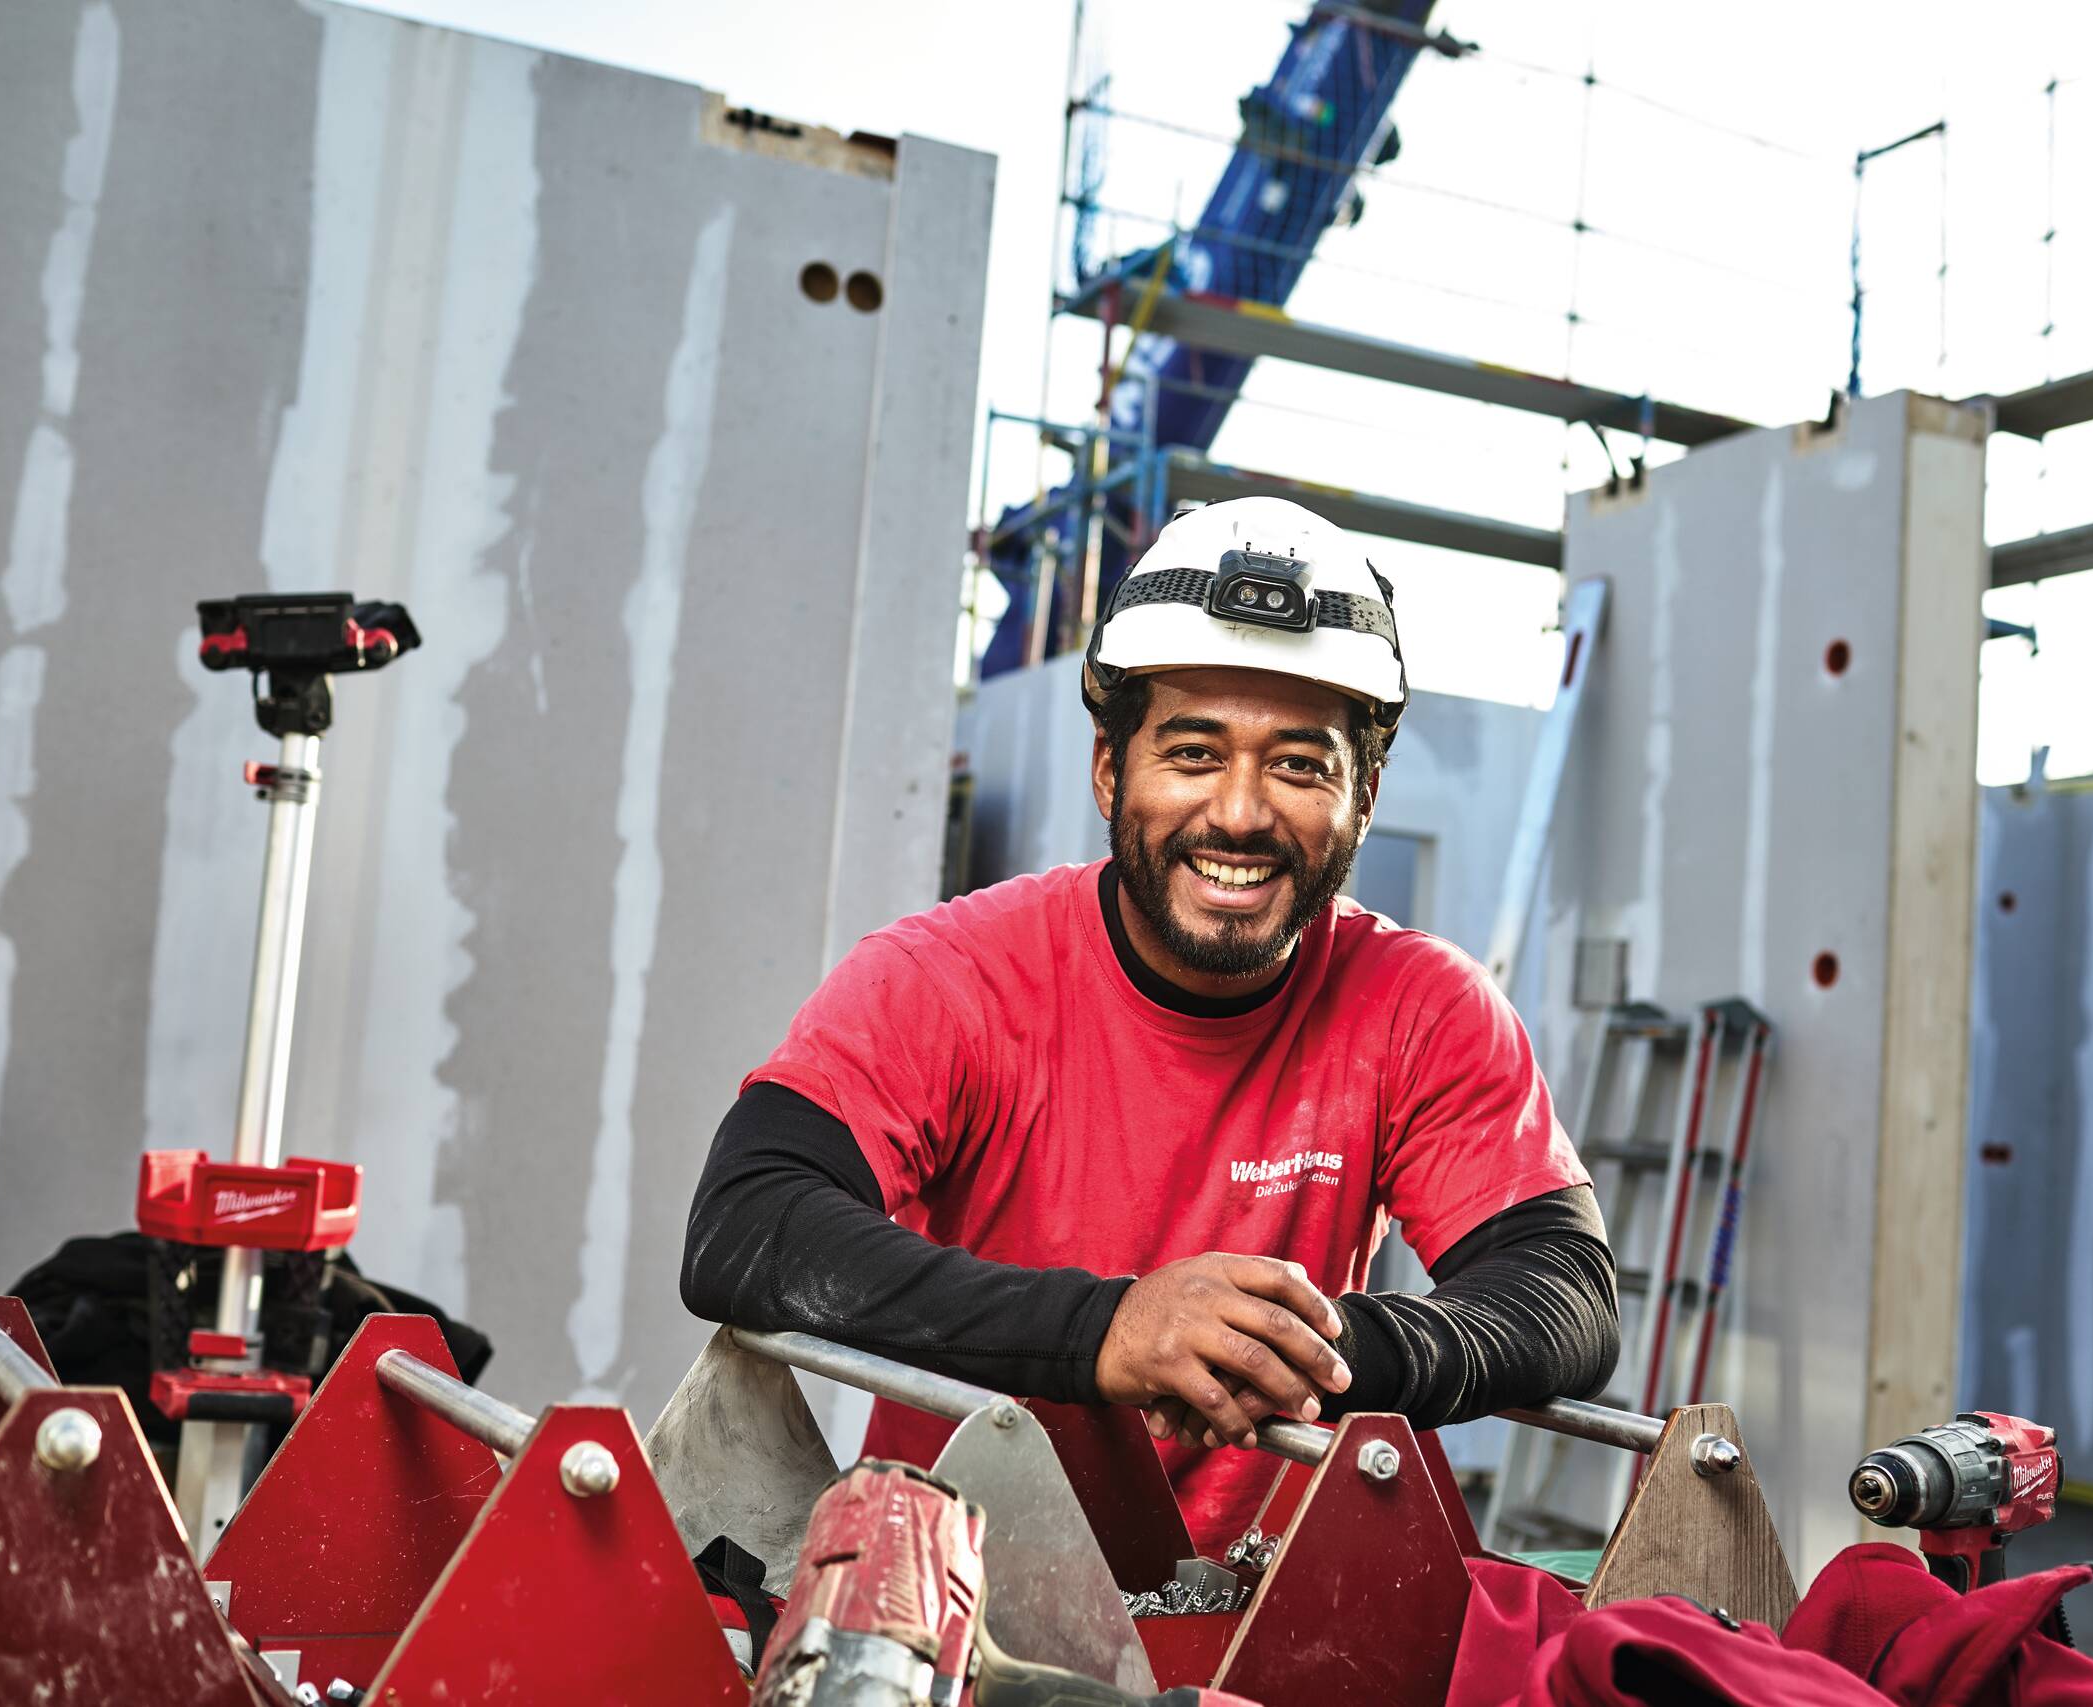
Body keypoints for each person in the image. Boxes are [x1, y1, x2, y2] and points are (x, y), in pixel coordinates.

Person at [680, 496, 1619, 1551]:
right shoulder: (946, 979)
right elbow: (748, 1224)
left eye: (1300, 765)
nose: (1238, 814)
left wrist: (1305, 1347)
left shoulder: (1419, 1006)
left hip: (1267, 1626)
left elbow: (1565, 1295)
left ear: (1364, 796)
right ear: (1107, 768)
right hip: (956, 1592)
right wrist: (1106, 1331)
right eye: (1192, 753)